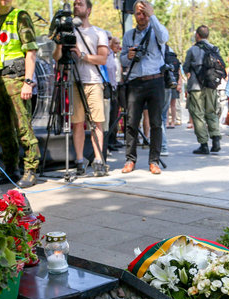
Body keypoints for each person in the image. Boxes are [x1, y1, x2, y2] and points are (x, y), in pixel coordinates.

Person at [0, 0, 41, 187]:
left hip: (16, 79)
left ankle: (31, 169)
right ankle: (11, 169)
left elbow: (31, 51)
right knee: (3, 129)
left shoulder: (20, 16)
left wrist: (28, 81)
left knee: (23, 126)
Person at [52, 0, 108, 177]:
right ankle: (79, 161)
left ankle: (98, 161)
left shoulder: (98, 32)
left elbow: (103, 59)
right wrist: (60, 42)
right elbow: (57, 57)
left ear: (88, 10)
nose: (76, 6)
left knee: (96, 122)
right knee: (77, 123)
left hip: (93, 82)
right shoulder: (69, 32)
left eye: (80, 4)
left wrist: (82, 55)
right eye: (75, 4)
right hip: (75, 82)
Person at [119, 0, 168, 175]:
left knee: (156, 123)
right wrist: (129, 56)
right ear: (134, 15)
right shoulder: (129, 35)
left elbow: (164, 38)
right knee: (131, 123)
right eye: (138, 13)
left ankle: (154, 161)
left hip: (155, 81)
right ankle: (130, 159)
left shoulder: (157, 31)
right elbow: (122, 59)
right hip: (135, 82)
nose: (142, 16)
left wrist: (152, 14)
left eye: (144, 13)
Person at [182, 25, 223, 155]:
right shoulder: (214, 49)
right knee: (211, 111)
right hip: (211, 86)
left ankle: (203, 144)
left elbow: (186, 67)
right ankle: (216, 139)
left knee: (198, 114)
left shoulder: (192, 50)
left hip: (196, 86)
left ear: (197, 36)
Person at [159, 43, 180, 157]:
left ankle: (162, 145)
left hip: (157, 84)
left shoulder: (154, 49)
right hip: (168, 85)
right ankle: (163, 145)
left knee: (158, 116)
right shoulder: (169, 49)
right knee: (163, 116)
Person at [105, 36, 123, 152]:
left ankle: (113, 138)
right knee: (110, 114)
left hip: (117, 86)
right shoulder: (107, 54)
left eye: (118, 43)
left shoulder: (116, 56)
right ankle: (109, 141)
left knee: (115, 114)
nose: (118, 45)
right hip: (110, 86)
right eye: (115, 43)